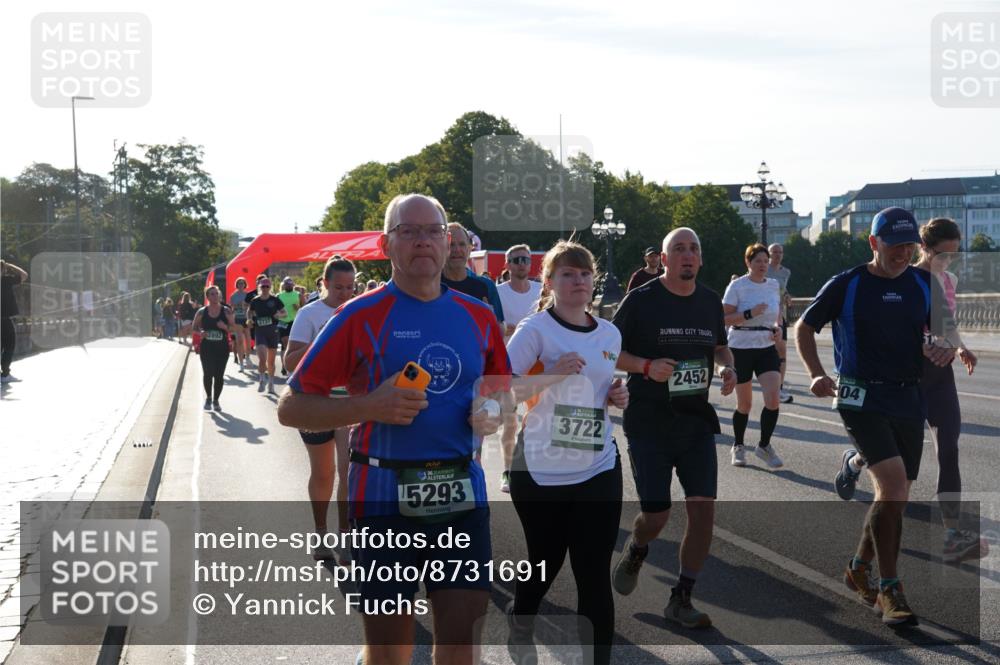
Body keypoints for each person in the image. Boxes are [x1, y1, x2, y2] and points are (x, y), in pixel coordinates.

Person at [278, 193, 509, 665]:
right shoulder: (357, 316)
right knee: (389, 654)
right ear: (386, 245)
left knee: (462, 650)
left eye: (433, 231)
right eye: (409, 231)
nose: (423, 241)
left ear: (449, 244)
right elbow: (290, 407)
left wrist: (492, 410)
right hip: (383, 499)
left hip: (462, 495)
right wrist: (368, 406)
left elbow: (501, 389)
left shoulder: (480, 316)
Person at [796, 207, 955, 625]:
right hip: (859, 397)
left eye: (909, 246)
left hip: (908, 396)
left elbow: (943, 332)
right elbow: (804, 327)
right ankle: (890, 590)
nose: (903, 254)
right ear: (874, 243)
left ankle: (857, 567)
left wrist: (944, 346)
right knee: (894, 486)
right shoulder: (847, 284)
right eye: (894, 246)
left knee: (894, 497)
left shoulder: (923, 284)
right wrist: (816, 373)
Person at [832, 217, 987, 563]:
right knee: (894, 463)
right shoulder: (908, 280)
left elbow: (946, 323)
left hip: (939, 377)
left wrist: (960, 347)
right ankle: (855, 462)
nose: (948, 262)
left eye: (954, 255)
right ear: (923, 249)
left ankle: (953, 534)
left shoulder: (948, 281)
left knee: (949, 449)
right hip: (905, 379)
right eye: (942, 255)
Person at [505, 240, 627, 665]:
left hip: (597, 465)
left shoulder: (610, 333)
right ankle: (522, 617)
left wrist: (617, 395)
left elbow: (599, 390)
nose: (578, 281)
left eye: (585, 274)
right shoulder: (535, 330)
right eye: (568, 274)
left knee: (593, 575)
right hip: (540, 469)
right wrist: (552, 375)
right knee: (545, 561)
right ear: (550, 282)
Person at [610, 227, 736, 629]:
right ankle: (637, 545)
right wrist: (646, 366)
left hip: (695, 420)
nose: (687, 254)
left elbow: (719, 346)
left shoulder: (710, 301)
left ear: (700, 259)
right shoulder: (640, 300)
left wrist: (727, 367)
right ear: (664, 260)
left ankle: (681, 597)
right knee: (657, 515)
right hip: (649, 421)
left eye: (693, 248)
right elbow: (608, 351)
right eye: (678, 248)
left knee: (703, 510)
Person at [284, 257, 358, 564]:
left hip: (348, 403)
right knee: (324, 473)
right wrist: (321, 340)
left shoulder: (359, 311)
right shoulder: (309, 313)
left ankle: (345, 534)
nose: (345, 293)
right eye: (339, 287)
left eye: (350, 287)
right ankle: (320, 531)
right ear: (325, 284)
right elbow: (290, 362)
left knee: (348, 471)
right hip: (315, 403)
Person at [722, 244, 784, 469]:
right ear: (748, 262)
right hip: (740, 347)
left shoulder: (773, 285)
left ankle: (764, 446)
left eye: (765, 261)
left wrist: (778, 328)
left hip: (766, 346)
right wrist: (749, 313)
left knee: (773, 398)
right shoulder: (737, 286)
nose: (762, 265)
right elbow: (724, 318)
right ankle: (738, 445)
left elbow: (777, 313)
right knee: (745, 404)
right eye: (757, 261)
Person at [496, 244, 544, 493]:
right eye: (516, 260)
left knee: (540, 417)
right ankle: (508, 471)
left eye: (525, 259)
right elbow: (491, 326)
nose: (521, 263)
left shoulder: (540, 290)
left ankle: (538, 466)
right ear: (507, 265)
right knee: (510, 423)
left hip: (539, 364)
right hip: (509, 364)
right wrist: (509, 329)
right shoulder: (498, 293)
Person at [441, 222, 505, 325]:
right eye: (451, 245)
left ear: (469, 249)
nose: (457, 249)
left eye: (462, 244)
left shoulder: (486, 286)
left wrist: (490, 317)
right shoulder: (431, 285)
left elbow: (500, 328)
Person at [193, 286, 235, 411]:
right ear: (207, 297)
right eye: (212, 294)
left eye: (217, 294)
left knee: (219, 375)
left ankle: (216, 400)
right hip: (207, 347)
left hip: (222, 348)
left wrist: (224, 327)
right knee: (208, 373)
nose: (215, 296)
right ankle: (208, 397)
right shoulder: (202, 312)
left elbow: (234, 328)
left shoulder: (226, 311)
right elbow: (194, 327)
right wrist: (200, 332)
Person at [247, 278, 286, 394]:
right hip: (260, 331)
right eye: (263, 287)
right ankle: (262, 379)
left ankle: (271, 383)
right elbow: (249, 311)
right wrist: (249, 319)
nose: (265, 288)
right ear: (259, 288)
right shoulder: (255, 300)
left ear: (270, 288)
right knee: (262, 358)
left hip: (273, 331)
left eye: (267, 286)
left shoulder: (275, 300)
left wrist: (279, 315)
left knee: (271, 362)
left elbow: (285, 313)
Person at [766, 243, 794, 403]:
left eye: (780, 252)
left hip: (779, 316)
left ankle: (779, 388)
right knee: (767, 352)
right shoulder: (763, 268)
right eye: (774, 252)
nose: (777, 255)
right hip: (763, 315)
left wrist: (787, 297)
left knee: (781, 351)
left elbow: (783, 290)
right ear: (769, 254)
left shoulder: (786, 272)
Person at [1, 259, 27, 384]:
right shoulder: (5, 281)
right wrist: (10, 265)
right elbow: (24, 275)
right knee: (9, 345)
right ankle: (5, 374)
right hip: (4, 320)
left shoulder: (5, 280)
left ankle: (5, 374)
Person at [277, 277, 304, 375]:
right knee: (285, 343)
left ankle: (292, 365)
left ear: (293, 285)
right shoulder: (279, 296)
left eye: (290, 284)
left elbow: (305, 309)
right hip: (283, 322)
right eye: (286, 284)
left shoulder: (298, 295)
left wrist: (298, 308)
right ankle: (284, 366)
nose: (288, 285)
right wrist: (278, 314)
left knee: (293, 344)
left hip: (295, 322)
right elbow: (275, 308)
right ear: (284, 285)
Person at [230, 277, 252, 371]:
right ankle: (241, 364)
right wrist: (237, 305)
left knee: (248, 341)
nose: (241, 285)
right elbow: (232, 308)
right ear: (237, 285)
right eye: (239, 283)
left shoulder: (248, 295)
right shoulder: (233, 296)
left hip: (246, 319)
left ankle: (247, 357)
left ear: (245, 285)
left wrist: (245, 305)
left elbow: (251, 307)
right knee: (239, 341)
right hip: (238, 318)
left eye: (242, 283)